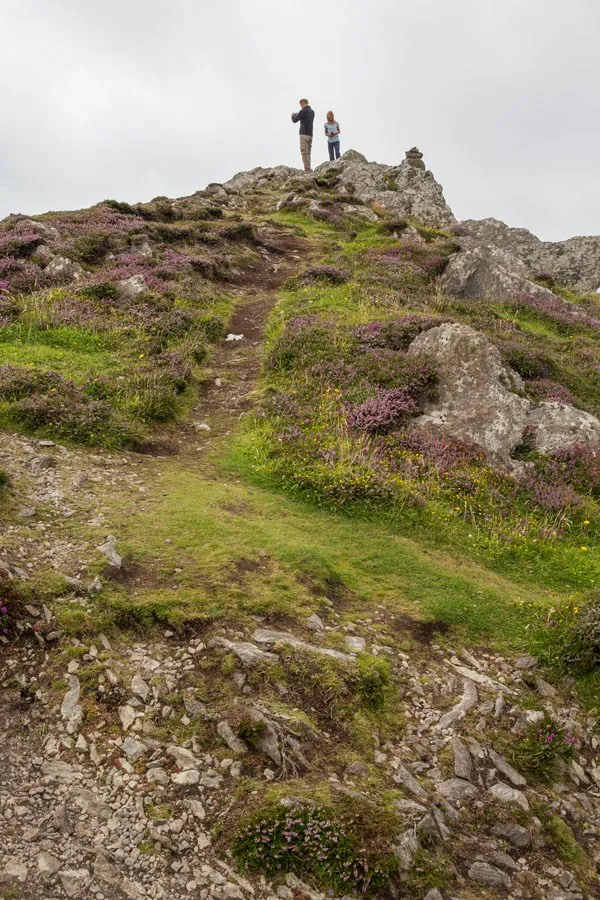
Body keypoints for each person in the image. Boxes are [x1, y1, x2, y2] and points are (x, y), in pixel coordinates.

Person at [291, 99, 315, 173]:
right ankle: (309, 167)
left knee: (304, 152)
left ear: (303, 103)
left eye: (300, 104)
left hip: (303, 134)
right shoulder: (312, 111)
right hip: (310, 134)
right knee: (308, 152)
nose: (300, 106)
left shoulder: (303, 111)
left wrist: (293, 115)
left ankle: (307, 169)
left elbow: (295, 120)